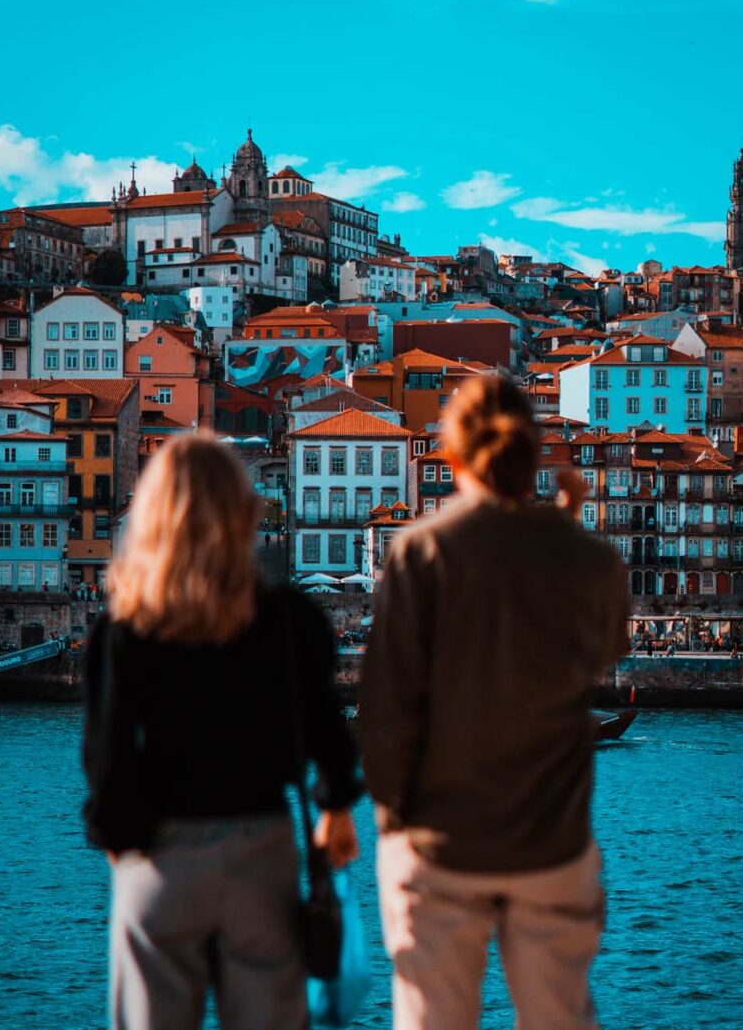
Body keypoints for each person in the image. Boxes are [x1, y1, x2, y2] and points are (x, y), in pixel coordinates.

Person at [360, 375, 630, 1030]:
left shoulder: (418, 552)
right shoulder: (592, 561)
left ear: (449, 457)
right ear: (533, 454)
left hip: (440, 845)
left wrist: (394, 828)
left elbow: (385, 712)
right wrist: (563, 523)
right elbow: (599, 654)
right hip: (550, 842)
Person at [82, 432, 362, 1030]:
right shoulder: (290, 619)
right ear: (242, 513)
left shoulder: (125, 629)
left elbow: (106, 761)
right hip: (259, 851)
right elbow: (330, 738)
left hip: (158, 856)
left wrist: (118, 844)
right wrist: (336, 808)